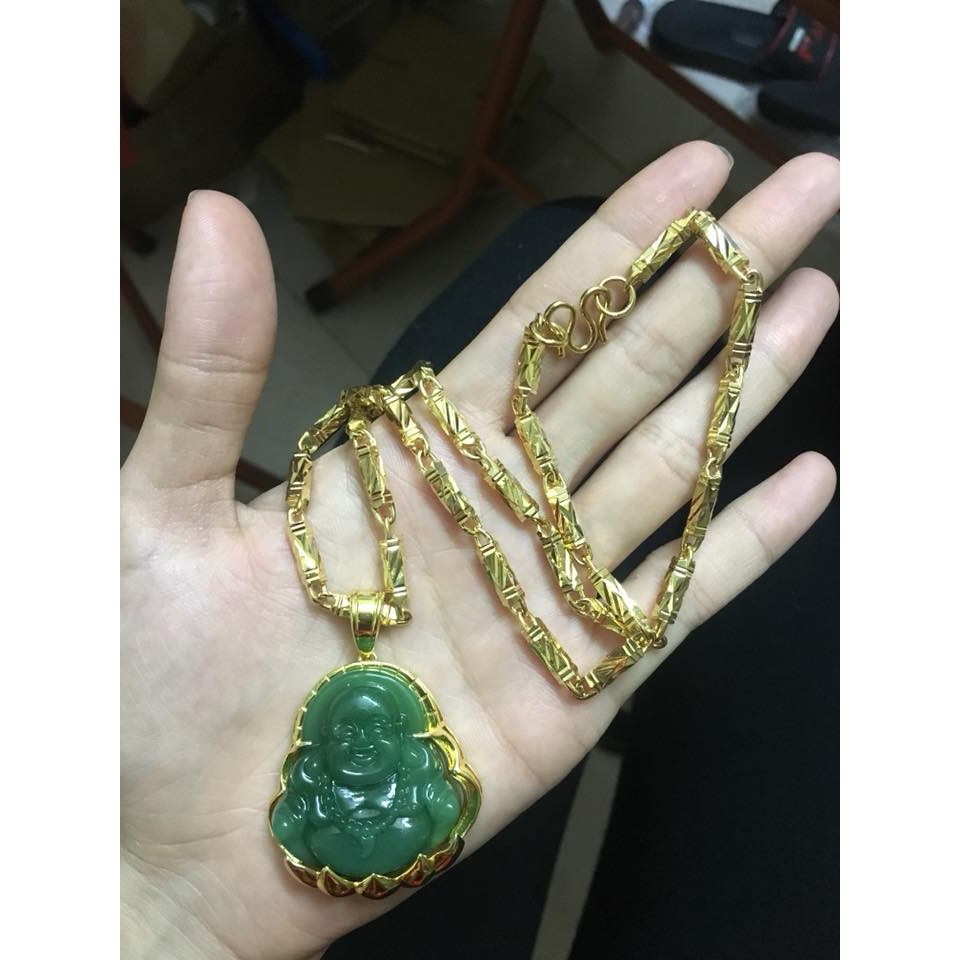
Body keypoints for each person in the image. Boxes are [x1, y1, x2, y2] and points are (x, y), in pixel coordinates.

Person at [120, 142, 840, 958]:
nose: (361, 749)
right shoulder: (311, 804)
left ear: (411, 741)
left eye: (372, 736)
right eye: (350, 739)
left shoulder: (420, 793)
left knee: (562, 229)